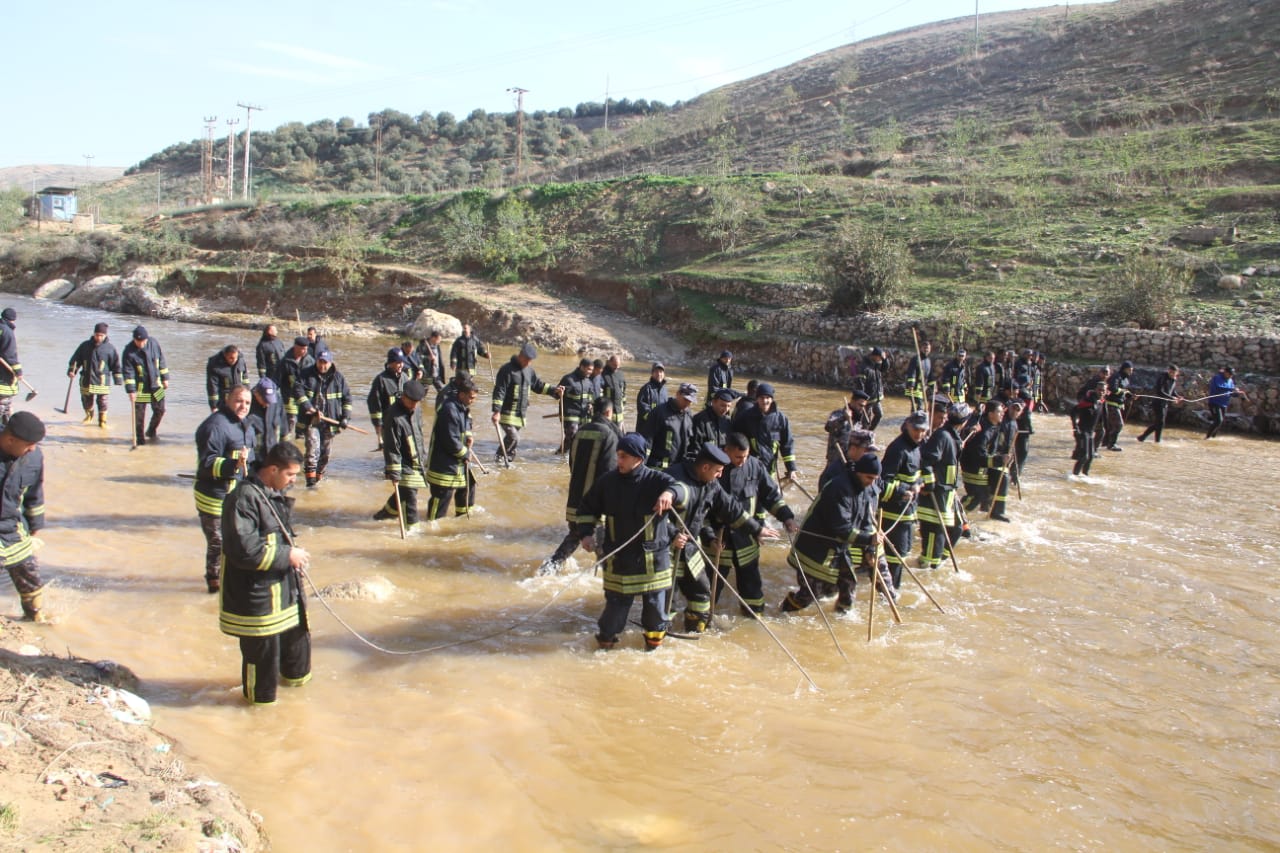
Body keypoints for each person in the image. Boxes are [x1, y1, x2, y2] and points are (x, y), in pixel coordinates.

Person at [218, 441, 312, 706]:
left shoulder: (269, 492)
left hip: (284, 594)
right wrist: (288, 556)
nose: (294, 481)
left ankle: (296, 711)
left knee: (298, 659)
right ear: (272, 469)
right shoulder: (242, 498)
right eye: (291, 475)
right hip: (258, 602)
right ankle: (257, 718)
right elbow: (244, 551)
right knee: (262, 671)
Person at [573, 432, 684, 650]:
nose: (618, 461)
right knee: (613, 617)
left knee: (654, 616)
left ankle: (653, 652)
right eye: (618, 455)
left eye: (624, 456)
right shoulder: (607, 482)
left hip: (653, 562)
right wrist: (586, 533)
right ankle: (603, 650)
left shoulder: (657, 480)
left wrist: (669, 494)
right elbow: (586, 508)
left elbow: (682, 490)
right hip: (619, 559)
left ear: (638, 459)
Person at [667, 443, 766, 633]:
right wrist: (672, 535)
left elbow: (730, 508)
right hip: (665, 550)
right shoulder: (674, 478)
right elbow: (653, 517)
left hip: (690, 549)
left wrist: (756, 529)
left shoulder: (711, 483)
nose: (721, 475)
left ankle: (693, 634)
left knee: (702, 594)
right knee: (666, 600)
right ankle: (660, 638)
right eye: (718, 471)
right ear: (705, 467)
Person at [781, 453, 884, 615]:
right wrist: (868, 539)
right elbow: (841, 528)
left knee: (848, 583)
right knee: (810, 594)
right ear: (859, 472)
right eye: (869, 477)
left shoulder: (865, 488)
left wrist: (870, 547)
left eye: (875, 479)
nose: (872, 482)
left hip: (837, 549)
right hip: (814, 550)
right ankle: (784, 613)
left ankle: (842, 617)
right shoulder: (838, 489)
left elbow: (865, 520)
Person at [716, 433, 798, 616]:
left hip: (747, 540)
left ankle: (753, 619)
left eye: (745, 457)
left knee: (752, 591)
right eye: (738, 457)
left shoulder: (754, 465)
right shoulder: (715, 468)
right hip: (720, 541)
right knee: (709, 592)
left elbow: (770, 496)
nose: (742, 462)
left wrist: (787, 517)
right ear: (726, 450)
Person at [544, 397, 621, 569]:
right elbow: (609, 473)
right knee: (603, 548)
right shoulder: (609, 435)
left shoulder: (580, 431)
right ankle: (607, 584)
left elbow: (571, 464)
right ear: (609, 413)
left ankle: (548, 569)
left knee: (575, 535)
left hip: (575, 500)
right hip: (594, 505)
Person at [194, 385, 256, 593]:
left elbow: (251, 458)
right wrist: (234, 465)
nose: (243, 406)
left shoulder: (245, 425)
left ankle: (230, 579)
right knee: (218, 543)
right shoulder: (215, 426)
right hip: (213, 497)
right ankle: (214, 585)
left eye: (247, 402)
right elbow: (207, 463)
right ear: (227, 398)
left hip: (235, 495)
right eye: (239, 401)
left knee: (239, 540)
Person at [0, 412, 48, 621]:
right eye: (29, 444)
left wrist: (35, 526)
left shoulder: (33, 458)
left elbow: (34, 494)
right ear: (10, 440)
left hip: (13, 528)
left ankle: (34, 617)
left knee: (30, 577)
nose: (33, 449)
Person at [879, 410, 928, 589]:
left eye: (923, 430)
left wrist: (919, 484)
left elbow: (919, 474)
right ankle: (889, 592)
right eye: (916, 429)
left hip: (909, 511)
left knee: (903, 553)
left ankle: (892, 589)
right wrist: (903, 490)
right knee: (895, 556)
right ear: (907, 425)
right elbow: (883, 481)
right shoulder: (897, 449)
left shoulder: (918, 447)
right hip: (894, 512)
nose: (919, 434)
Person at [491, 342, 561, 462]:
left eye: (531, 360)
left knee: (511, 441)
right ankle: (500, 458)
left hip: (520, 414)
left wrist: (555, 390)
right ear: (521, 355)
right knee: (514, 438)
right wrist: (496, 411)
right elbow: (499, 391)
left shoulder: (529, 371)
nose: (528, 363)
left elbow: (538, 386)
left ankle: (505, 461)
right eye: (527, 359)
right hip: (507, 412)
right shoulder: (507, 370)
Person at [918, 400, 967, 571]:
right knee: (934, 539)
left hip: (948, 495)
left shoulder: (952, 437)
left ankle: (940, 560)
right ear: (963, 422)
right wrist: (930, 484)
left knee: (958, 528)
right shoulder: (942, 436)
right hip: (935, 498)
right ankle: (928, 568)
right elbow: (926, 462)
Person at [294, 349, 353, 488]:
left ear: (330, 362)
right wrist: (310, 408)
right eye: (320, 362)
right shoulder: (306, 374)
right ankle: (310, 484)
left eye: (325, 363)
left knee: (325, 454)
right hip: (311, 421)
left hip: (329, 423)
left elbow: (347, 399)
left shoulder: (338, 378)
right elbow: (298, 390)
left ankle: (319, 478)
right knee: (312, 451)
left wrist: (345, 417)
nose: (322, 366)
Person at [376, 380, 430, 527]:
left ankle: (383, 516)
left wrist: (423, 457)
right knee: (409, 496)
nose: (414, 406)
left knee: (405, 492)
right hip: (403, 463)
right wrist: (394, 472)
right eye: (412, 402)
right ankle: (412, 529)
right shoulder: (393, 416)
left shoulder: (416, 409)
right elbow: (392, 447)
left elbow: (419, 433)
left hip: (416, 459)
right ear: (403, 397)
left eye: (417, 402)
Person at [426, 376, 479, 519]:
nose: (472, 401)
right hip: (444, 464)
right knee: (442, 497)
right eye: (471, 398)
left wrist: (468, 435)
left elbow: (466, 423)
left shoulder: (462, 407)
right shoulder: (449, 410)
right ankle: (432, 525)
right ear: (461, 394)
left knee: (469, 485)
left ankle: (463, 517)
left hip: (457, 462)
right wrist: (465, 453)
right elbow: (450, 440)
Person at [730, 381, 799, 482]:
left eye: (767, 398)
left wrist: (791, 469)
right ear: (757, 399)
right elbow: (734, 438)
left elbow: (787, 445)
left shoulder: (781, 419)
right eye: (761, 398)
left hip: (770, 469)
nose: (764, 401)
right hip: (749, 468)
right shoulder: (746, 417)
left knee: (768, 495)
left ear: (772, 399)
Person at [66, 322, 122, 428]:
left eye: (101, 335)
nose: (99, 337)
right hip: (86, 379)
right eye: (97, 335)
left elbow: (116, 364)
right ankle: (89, 416)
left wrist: (118, 378)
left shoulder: (110, 348)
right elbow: (76, 360)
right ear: (93, 334)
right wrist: (72, 371)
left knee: (103, 402)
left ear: (105, 335)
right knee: (86, 400)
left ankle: (102, 421)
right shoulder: (85, 346)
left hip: (102, 380)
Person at [123, 325, 169, 445]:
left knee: (160, 410)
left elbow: (161, 360)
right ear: (134, 340)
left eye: (143, 341)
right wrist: (131, 391)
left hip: (156, 385)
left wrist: (165, 378)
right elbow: (128, 373)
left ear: (147, 339)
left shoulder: (154, 343)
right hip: (141, 388)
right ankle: (140, 439)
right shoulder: (128, 351)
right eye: (138, 341)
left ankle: (151, 431)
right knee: (139, 416)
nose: (141, 344)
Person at [640, 381, 697, 470]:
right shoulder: (659, 412)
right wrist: (642, 465)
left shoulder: (688, 415)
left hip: (679, 467)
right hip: (658, 466)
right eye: (686, 399)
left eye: (690, 401)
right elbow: (647, 440)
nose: (688, 404)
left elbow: (690, 443)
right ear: (678, 394)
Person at [367, 348, 408, 447]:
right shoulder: (381, 380)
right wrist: (378, 425)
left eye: (402, 362)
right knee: (392, 455)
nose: (401, 365)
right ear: (390, 363)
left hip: (404, 423)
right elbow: (374, 404)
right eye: (398, 362)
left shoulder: (404, 377)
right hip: (388, 425)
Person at [274, 336, 313, 438]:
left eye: (306, 349)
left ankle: (300, 440)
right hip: (289, 396)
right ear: (295, 347)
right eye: (302, 348)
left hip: (304, 397)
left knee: (303, 424)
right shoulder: (285, 361)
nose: (304, 351)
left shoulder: (310, 361)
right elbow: (276, 380)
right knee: (290, 421)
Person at [558, 357, 600, 452]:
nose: (590, 372)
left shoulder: (589, 382)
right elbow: (556, 393)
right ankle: (559, 456)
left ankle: (567, 455)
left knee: (581, 439)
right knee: (572, 433)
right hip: (570, 414)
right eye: (589, 369)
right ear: (582, 367)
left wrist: (590, 404)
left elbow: (591, 397)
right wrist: (559, 393)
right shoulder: (568, 379)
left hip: (584, 415)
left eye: (592, 370)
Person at [823, 391, 872, 464]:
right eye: (860, 405)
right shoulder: (838, 414)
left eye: (864, 406)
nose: (862, 409)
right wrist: (844, 418)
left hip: (850, 460)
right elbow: (828, 427)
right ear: (852, 401)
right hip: (835, 458)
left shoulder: (859, 419)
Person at [1138, 365, 1183, 444]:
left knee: (1160, 423)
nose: (1172, 374)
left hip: (1165, 403)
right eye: (1170, 372)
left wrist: (1177, 397)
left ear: (1177, 373)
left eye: (1174, 373)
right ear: (1168, 370)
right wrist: (1172, 398)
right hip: (1158, 402)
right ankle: (1154, 440)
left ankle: (1145, 438)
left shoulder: (1173, 380)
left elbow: (1172, 391)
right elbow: (1160, 391)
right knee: (1160, 422)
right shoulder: (1162, 378)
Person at [247, 378, 286, 459]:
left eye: (270, 401)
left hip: (272, 450)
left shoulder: (277, 399)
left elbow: (283, 424)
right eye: (265, 400)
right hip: (254, 453)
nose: (268, 404)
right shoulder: (247, 402)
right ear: (256, 393)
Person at [1100, 360, 1135, 450]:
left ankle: (1105, 443)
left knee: (1111, 426)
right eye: (1129, 370)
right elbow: (1113, 388)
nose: (1131, 372)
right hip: (1111, 404)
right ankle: (1112, 444)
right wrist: (1122, 391)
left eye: (1132, 370)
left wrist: (1130, 395)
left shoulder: (1126, 379)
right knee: (1119, 425)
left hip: (1119, 404)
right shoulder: (1116, 377)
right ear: (1124, 369)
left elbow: (1124, 390)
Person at [1205, 365, 1247, 439]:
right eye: (1230, 374)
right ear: (1225, 372)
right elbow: (1219, 387)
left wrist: (1238, 393)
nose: (1231, 376)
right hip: (1214, 402)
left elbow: (1231, 393)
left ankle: (1212, 437)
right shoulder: (1217, 378)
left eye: (1232, 374)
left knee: (1220, 422)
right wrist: (1232, 389)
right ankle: (1207, 437)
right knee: (1218, 420)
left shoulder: (1230, 381)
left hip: (1224, 403)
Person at [1070, 386, 1103, 476]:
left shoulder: (1100, 403)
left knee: (1091, 457)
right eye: (1100, 390)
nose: (1101, 392)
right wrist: (1075, 426)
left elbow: (1100, 418)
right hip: (1082, 431)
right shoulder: (1087, 401)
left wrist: (1102, 429)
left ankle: (1085, 476)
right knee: (1084, 456)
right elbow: (1073, 412)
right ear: (1095, 390)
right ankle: (1074, 476)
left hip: (1090, 432)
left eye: (1103, 390)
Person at [206, 345, 250, 412]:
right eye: (231, 358)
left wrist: (247, 393)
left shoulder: (240, 359)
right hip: (224, 401)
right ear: (225, 355)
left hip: (240, 397)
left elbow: (245, 378)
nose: (234, 360)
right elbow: (212, 386)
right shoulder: (214, 364)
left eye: (235, 358)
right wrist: (214, 405)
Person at [854, 347, 888, 430]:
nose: (880, 359)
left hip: (876, 397)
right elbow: (860, 383)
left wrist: (885, 359)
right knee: (866, 420)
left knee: (879, 415)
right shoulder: (864, 367)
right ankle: (864, 434)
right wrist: (862, 398)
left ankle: (870, 432)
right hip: (868, 399)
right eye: (879, 357)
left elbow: (885, 368)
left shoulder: (877, 364)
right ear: (874, 356)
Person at [0, 308, 22, 427]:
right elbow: (10, 354)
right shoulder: (7, 332)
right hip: (3, 376)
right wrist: (18, 371)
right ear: (12, 320)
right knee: (4, 402)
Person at [635, 362, 668, 431]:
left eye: (661, 372)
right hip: (645, 428)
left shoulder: (664, 390)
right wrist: (653, 420)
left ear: (664, 374)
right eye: (656, 372)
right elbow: (642, 408)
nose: (659, 374)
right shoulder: (646, 389)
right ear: (652, 373)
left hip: (659, 429)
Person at [904, 340, 932, 411]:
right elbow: (911, 372)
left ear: (930, 349)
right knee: (919, 406)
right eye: (924, 348)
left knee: (918, 407)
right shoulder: (915, 359)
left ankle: (913, 419)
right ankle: (916, 419)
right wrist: (911, 384)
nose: (926, 350)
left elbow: (929, 375)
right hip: (914, 387)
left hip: (922, 388)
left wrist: (933, 385)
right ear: (921, 348)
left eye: (927, 348)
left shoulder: (928, 360)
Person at [599, 354, 627, 426]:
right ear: (609, 363)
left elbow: (623, 392)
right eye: (614, 365)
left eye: (618, 365)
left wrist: (623, 406)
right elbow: (599, 394)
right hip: (607, 413)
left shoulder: (620, 374)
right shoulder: (602, 374)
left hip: (619, 414)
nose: (616, 367)